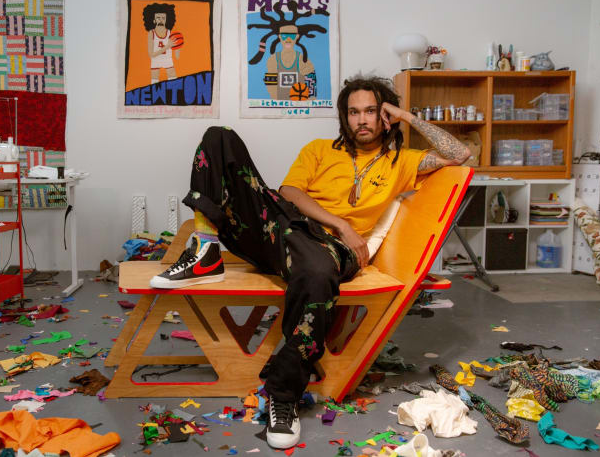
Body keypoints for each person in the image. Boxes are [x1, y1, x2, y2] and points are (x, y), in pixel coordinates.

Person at [150, 75, 470, 449]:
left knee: (317, 272)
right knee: (219, 135)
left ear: (384, 116)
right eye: (353, 112)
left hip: (332, 251)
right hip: (285, 229)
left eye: (371, 111)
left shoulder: (402, 161)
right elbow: (288, 192)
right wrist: (342, 223)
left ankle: (282, 397)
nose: (361, 120)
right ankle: (206, 252)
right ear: (343, 117)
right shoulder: (320, 149)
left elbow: (461, 154)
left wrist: (407, 116)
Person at [265, 24, 315, 100]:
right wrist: (277, 102)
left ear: (297, 37)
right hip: (279, 104)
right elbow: (270, 86)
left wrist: (309, 101)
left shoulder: (303, 59)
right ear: (279, 37)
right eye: (284, 36)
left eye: (292, 36)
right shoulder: (273, 59)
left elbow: (311, 85)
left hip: (300, 105)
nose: (288, 40)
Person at [142, 3, 179, 85]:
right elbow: (151, 54)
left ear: (166, 19)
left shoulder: (170, 33)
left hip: (168, 59)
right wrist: (167, 47)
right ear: (154, 20)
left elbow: (177, 57)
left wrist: (178, 46)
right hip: (156, 60)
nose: (161, 20)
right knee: (154, 83)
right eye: (158, 18)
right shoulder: (151, 33)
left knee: (174, 82)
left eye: (163, 18)